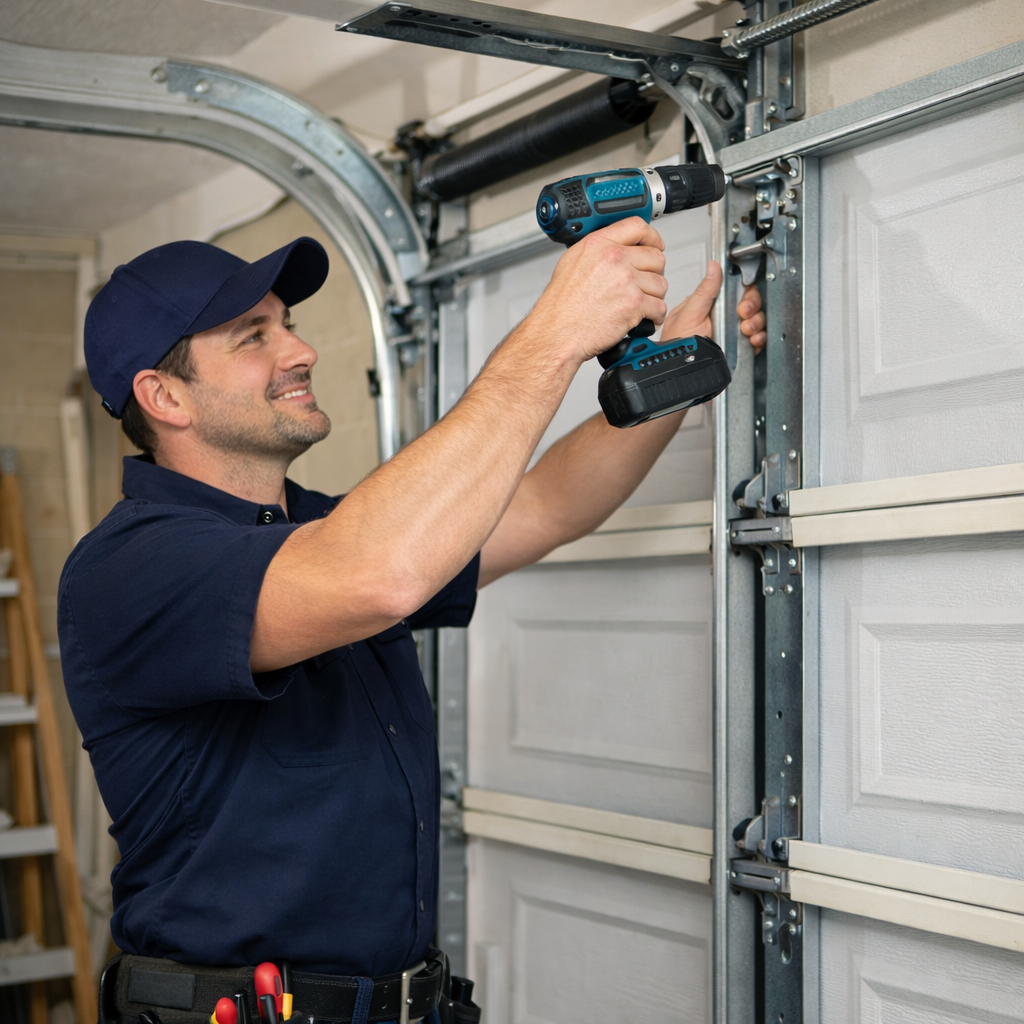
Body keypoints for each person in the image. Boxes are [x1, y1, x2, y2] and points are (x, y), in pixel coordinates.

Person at [58, 220, 766, 1022]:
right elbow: (381, 574)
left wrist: (672, 369)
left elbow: (540, 505)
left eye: (288, 324)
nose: (300, 351)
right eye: (253, 336)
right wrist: (554, 335)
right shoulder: (130, 572)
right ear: (164, 396)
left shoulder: (321, 532)